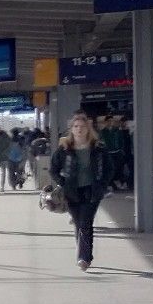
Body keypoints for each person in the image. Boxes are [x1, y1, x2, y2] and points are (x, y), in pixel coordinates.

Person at [50, 113, 112, 271]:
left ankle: (83, 258)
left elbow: (109, 168)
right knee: (79, 223)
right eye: (76, 126)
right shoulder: (64, 148)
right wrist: (62, 183)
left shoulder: (98, 147)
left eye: (82, 127)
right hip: (72, 192)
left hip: (92, 191)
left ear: (88, 129)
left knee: (85, 222)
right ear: (71, 129)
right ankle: (86, 254)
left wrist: (103, 184)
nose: (79, 129)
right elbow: (53, 169)